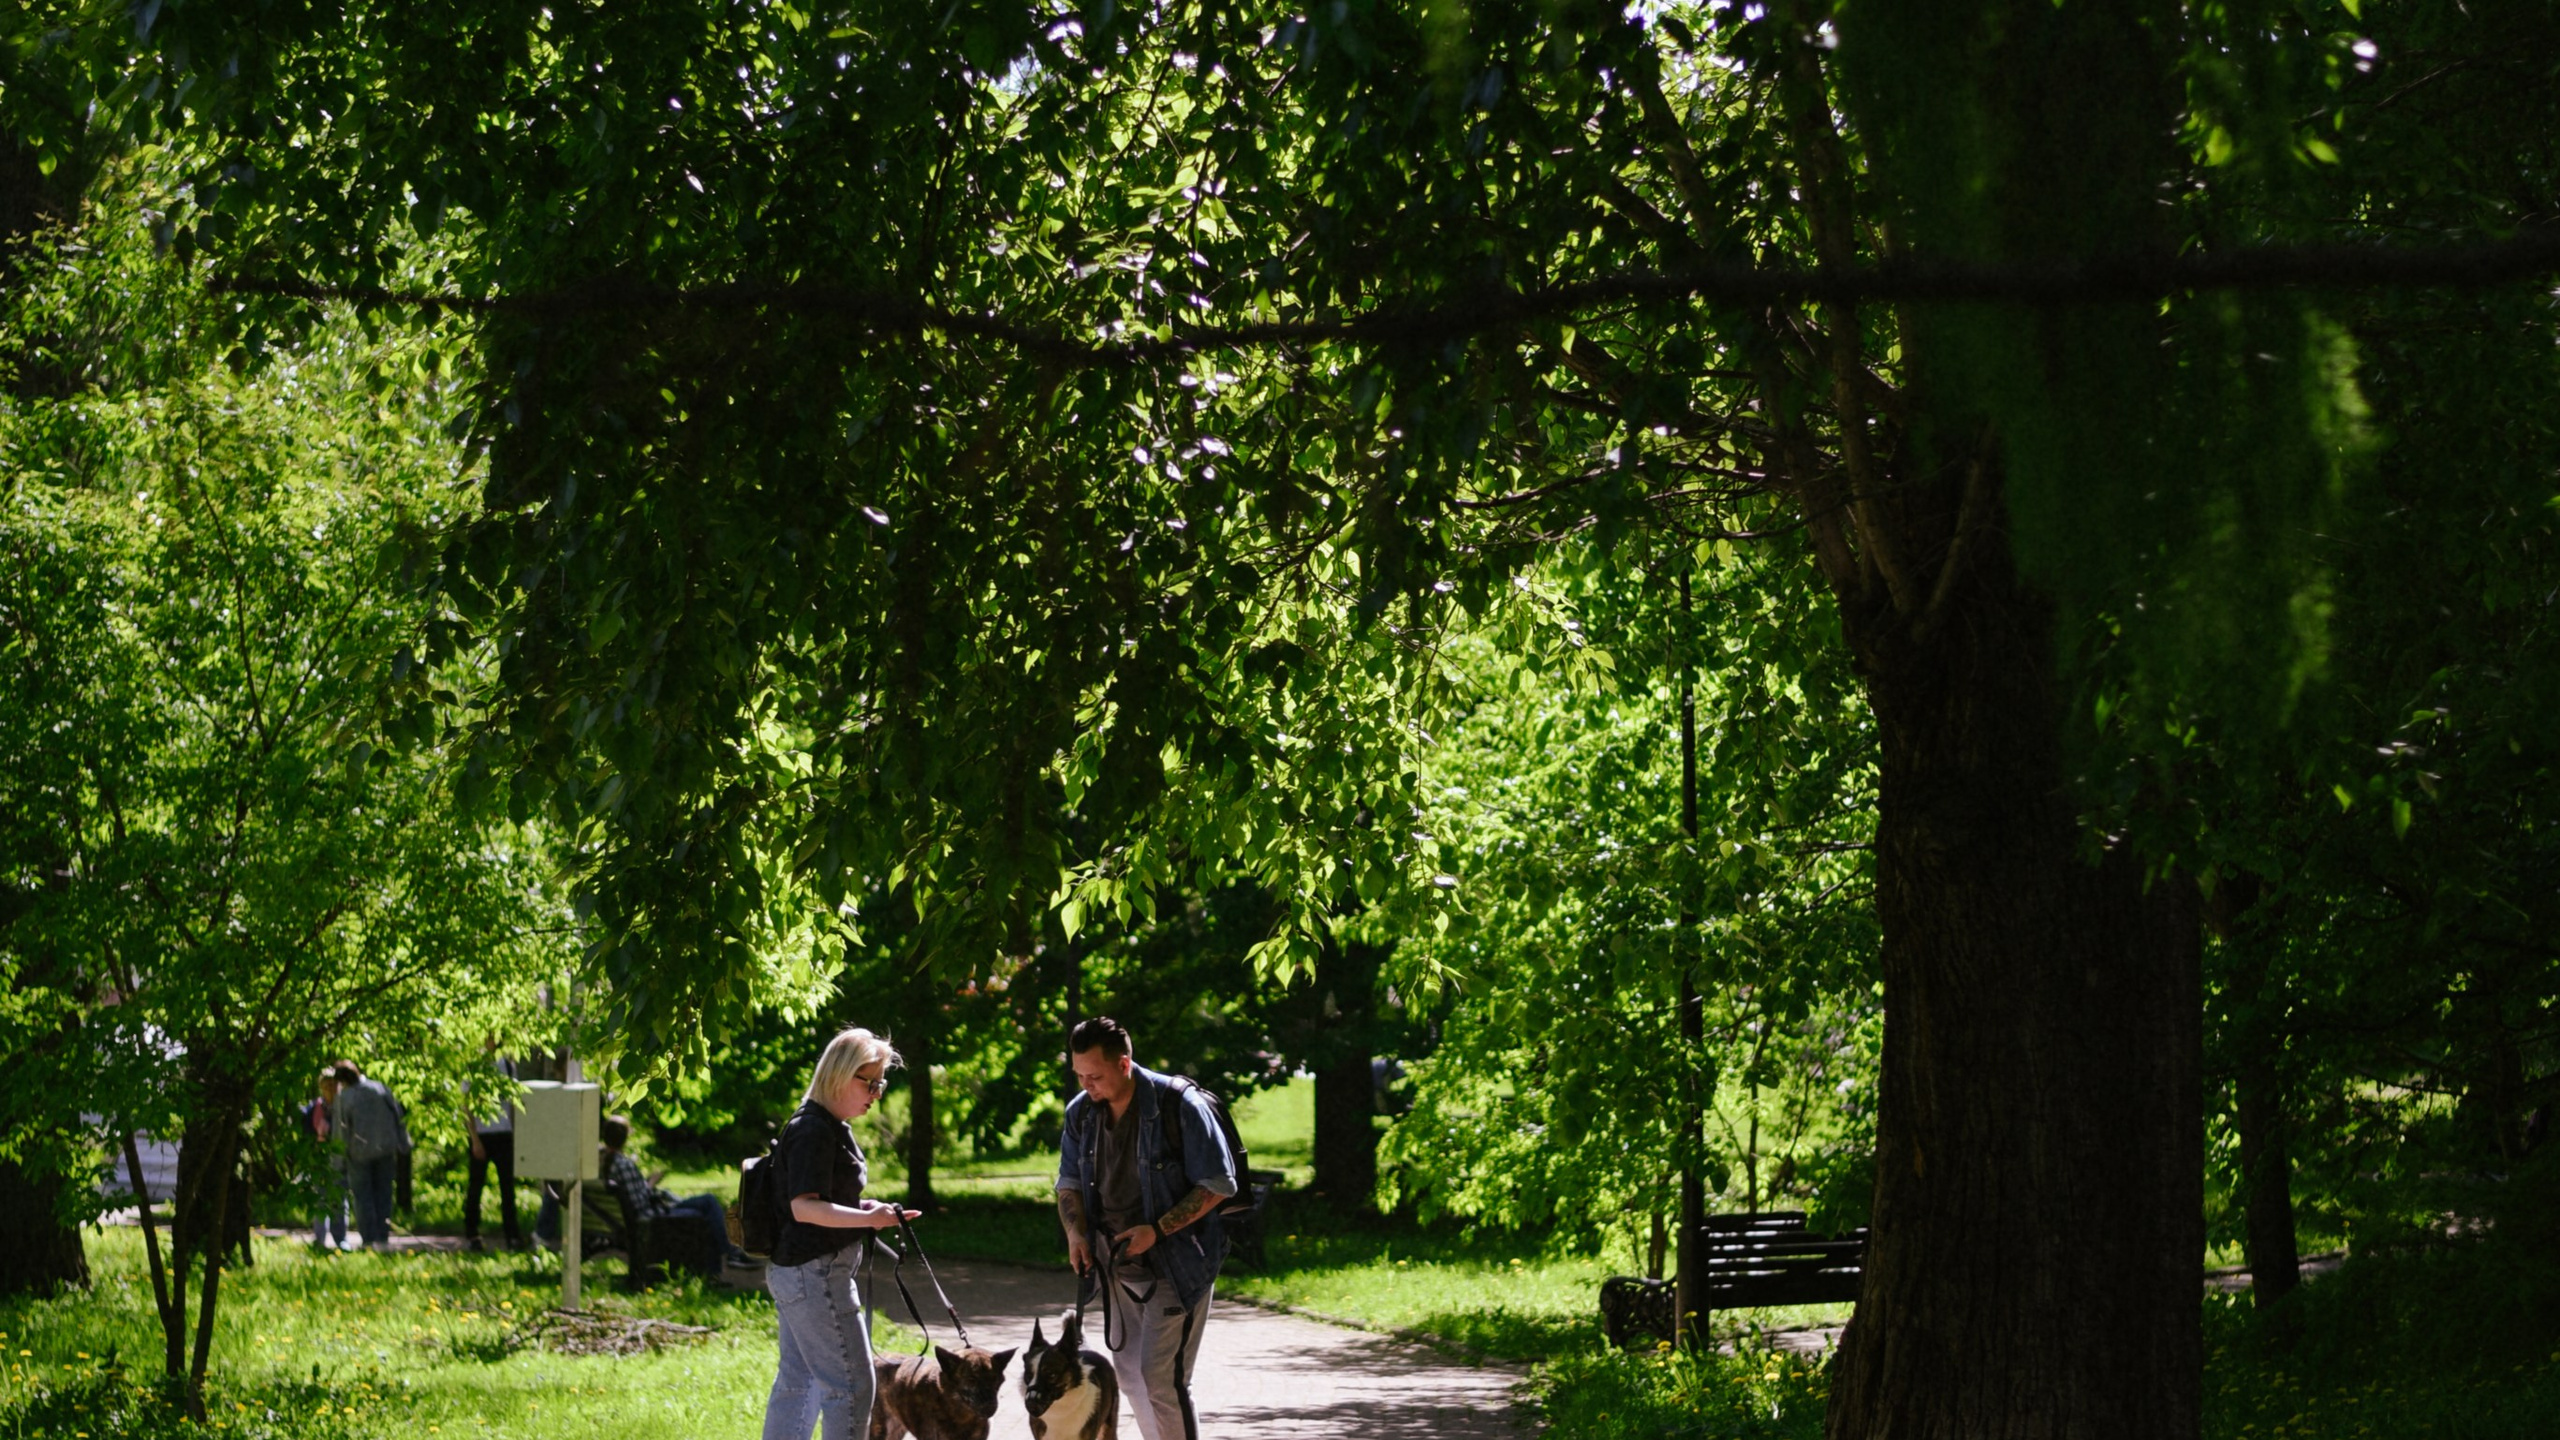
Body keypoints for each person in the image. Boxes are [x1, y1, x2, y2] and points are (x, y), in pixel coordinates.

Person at [1055, 1016, 1238, 1440]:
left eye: (1095, 1076)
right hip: (1115, 1264)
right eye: (1079, 1075)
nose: (1087, 1086)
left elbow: (1218, 1184)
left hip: (1177, 1263)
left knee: (1161, 1380)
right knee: (1130, 1375)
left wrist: (1155, 1230)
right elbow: (1068, 1182)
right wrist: (1076, 1234)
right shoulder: (1081, 1113)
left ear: (1124, 1064)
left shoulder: (1178, 1105)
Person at [763, 1027, 919, 1440]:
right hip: (816, 1276)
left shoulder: (824, 1125)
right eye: (869, 1082)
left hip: (799, 1272)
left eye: (880, 1083)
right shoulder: (814, 1128)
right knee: (852, 1388)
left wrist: (868, 1211)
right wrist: (868, 1220)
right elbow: (804, 1207)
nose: (876, 1093)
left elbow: (816, 1200)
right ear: (838, 1073)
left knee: (800, 1384)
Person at [597, 1113, 743, 1276]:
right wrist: (651, 1183)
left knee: (706, 1204)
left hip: (639, 1214)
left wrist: (647, 1184)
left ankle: (724, 1261)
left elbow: (630, 1194)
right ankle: (729, 1255)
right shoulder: (623, 1164)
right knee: (707, 1205)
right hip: (651, 1215)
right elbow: (640, 1200)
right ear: (624, 1138)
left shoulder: (602, 1162)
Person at [328, 1060, 413, 1253]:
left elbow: (340, 1132)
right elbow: (398, 1115)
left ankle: (368, 1240)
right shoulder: (379, 1088)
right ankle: (382, 1238)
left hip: (359, 1154)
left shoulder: (345, 1097)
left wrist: (337, 1161)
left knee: (363, 1197)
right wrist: (404, 1143)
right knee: (384, 1194)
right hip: (385, 1149)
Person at [461, 1044, 522, 1252]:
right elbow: (466, 1104)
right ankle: (472, 1234)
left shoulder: (508, 1064)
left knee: (508, 1188)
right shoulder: (474, 1066)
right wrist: (474, 1138)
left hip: (504, 1134)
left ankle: (512, 1236)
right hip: (482, 1134)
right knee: (475, 1186)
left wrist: (514, 1130)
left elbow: (514, 1101)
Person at [305, 1069, 348, 1251]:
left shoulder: (344, 1106)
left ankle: (341, 1239)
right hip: (319, 1160)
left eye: (333, 1084)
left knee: (339, 1198)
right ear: (321, 1087)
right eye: (326, 1085)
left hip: (340, 1159)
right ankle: (319, 1239)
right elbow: (306, 1133)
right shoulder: (314, 1108)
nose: (329, 1088)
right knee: (320, 1198)